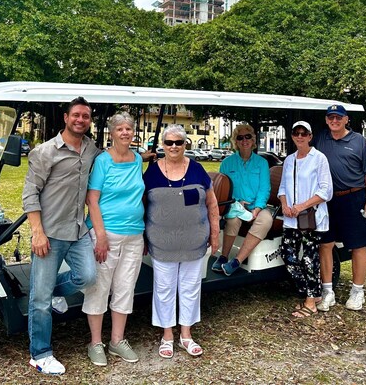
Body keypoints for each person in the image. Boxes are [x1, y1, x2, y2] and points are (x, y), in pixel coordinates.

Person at [22, 97, 99, 375]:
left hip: (78, 230)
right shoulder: (45, 152)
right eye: (76, 115)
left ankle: (49, 291)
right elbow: (30, 194)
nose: (81, 120)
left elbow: (111, 161)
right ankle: (40, 354)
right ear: (65, 118)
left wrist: (144, 157)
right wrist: (37, 233)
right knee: (40, 300)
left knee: (87, 277)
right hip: (50, 233)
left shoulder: (90, 149)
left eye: (86, 116)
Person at [143, 125, 219, 359]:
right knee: (164, 289)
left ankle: (186, 334)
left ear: (186, 144)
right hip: (162, 243)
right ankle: (167, 335)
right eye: (169, 143)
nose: (173, 146)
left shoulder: (197, 170)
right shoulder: (152, 172)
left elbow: (212, 204)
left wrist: (215, 234)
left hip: (194, 243)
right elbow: (142, 205)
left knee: (190, 288)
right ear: (163, 145)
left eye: (178, 142)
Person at [83, 112, 145, 366]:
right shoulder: (103, 161)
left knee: (125, 288)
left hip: (134, 235)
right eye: (120, 129)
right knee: (99, 288)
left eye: (129, 128)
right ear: (112, 132)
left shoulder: (137, 159)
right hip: (106, 234)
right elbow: (92, 199)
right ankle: (95, 342)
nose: (125, 133)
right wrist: (100, 236)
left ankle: (117, 340)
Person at [314, 104, 366, 312]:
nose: (334, 121)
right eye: (331, 117)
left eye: (338, 117)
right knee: (325, 244)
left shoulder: (359, 141)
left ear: (346, 119)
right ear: (326, 120)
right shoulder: (321, 138)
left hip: (354, 197)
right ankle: (327, 291)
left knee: (358, 245)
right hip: (327, 200)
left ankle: (357, 291)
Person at [278, 121, 333, 317]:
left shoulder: (319, 158)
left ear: (310, 136)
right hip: (291, 218)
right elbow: (283, 188)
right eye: (296, 133)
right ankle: (312, 290)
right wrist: (285, 204)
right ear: (292, 136)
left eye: (304, 133)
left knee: (310, 257)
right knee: (288, 254)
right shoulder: (289, 160)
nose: (300, 136)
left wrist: (301, 206)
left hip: (310, 216)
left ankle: (310, 302)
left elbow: (326, 190)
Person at [212, 123, 272, 276]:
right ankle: (224, 256)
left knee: (265, 220)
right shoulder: (227, 163)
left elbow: (264, 189)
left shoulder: (262, 163)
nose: (244, 140)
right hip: (236, 204)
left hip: (256, 205)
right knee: (232, 220)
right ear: (236, 142)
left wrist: (258, 208)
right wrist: (237, 202)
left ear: (253, 140)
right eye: (240, 137)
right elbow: (225, 188)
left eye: (248, 137)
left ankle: (237, 261)